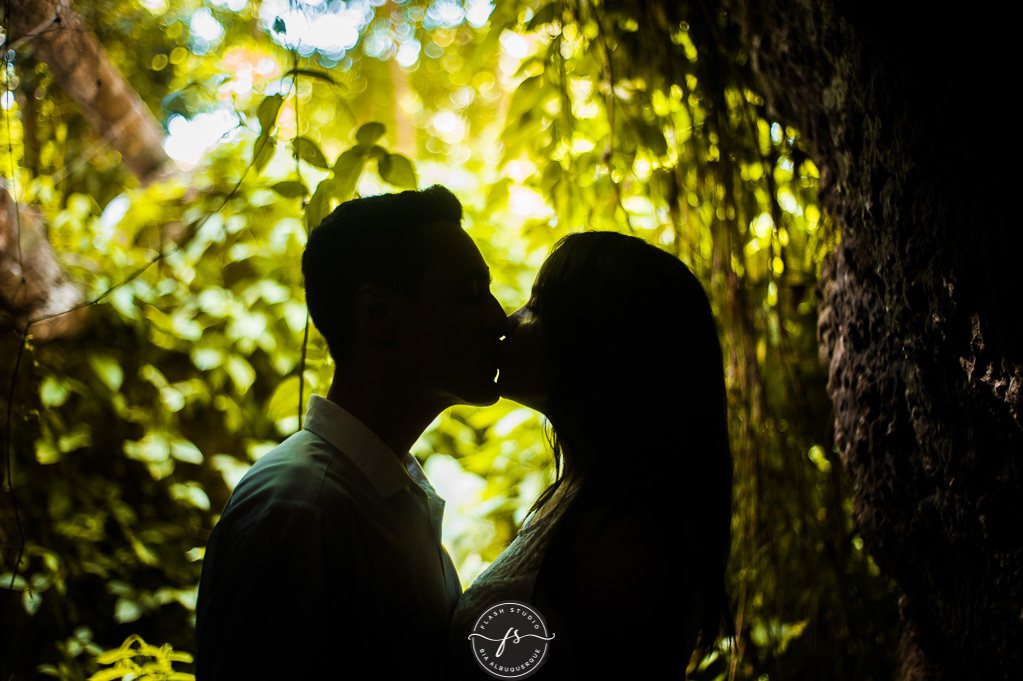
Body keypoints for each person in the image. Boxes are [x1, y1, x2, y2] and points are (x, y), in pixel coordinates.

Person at [196, 186, 506, 680]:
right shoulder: (298, 509)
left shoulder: (380, 494)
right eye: (470, 292)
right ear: (378, 314)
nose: (498, 317)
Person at [449, 231, 734, 678]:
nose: (508, 321)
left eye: (536, 307)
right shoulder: (592, 498)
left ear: (595, 346)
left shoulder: (623, 547)